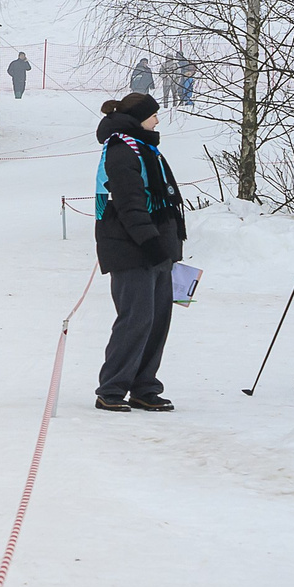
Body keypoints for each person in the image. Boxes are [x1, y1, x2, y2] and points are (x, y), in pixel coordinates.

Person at [92, 91, 186, 412]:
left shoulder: (146, 148)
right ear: (139, 118)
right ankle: (112, 388)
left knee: (157, 320)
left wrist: (169, 245)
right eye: (153, 115)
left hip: (157, 247)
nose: (157, 120)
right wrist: (151, 244)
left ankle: (144, 386)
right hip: (131, 249)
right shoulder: (122, 150)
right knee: (136, 319)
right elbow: (129, 205)